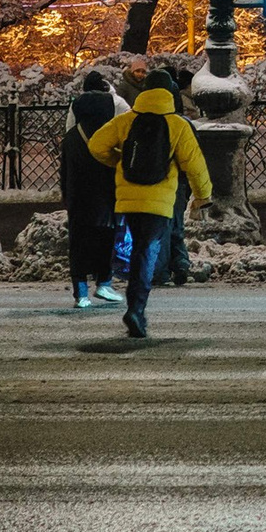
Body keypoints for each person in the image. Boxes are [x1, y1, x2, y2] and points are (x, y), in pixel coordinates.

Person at [85, 79, 213, 338]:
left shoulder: (126, 120)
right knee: (145, 252)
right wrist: (203, 196)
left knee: (137, 250)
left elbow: (96, 145)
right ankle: (136, 309)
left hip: (128, 200)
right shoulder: (177, 125)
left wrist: (119, 161)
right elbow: (195, 165)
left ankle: (134, 305)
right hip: (160, 204)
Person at [59, 74, 122, 308]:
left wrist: (66, 194)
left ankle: (80, 291)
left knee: (78, 242)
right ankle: (104, 282)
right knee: (106, 239)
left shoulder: (72, 137)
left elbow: (64, 170)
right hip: (107, 195)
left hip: (78, 197)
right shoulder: (111, 133)